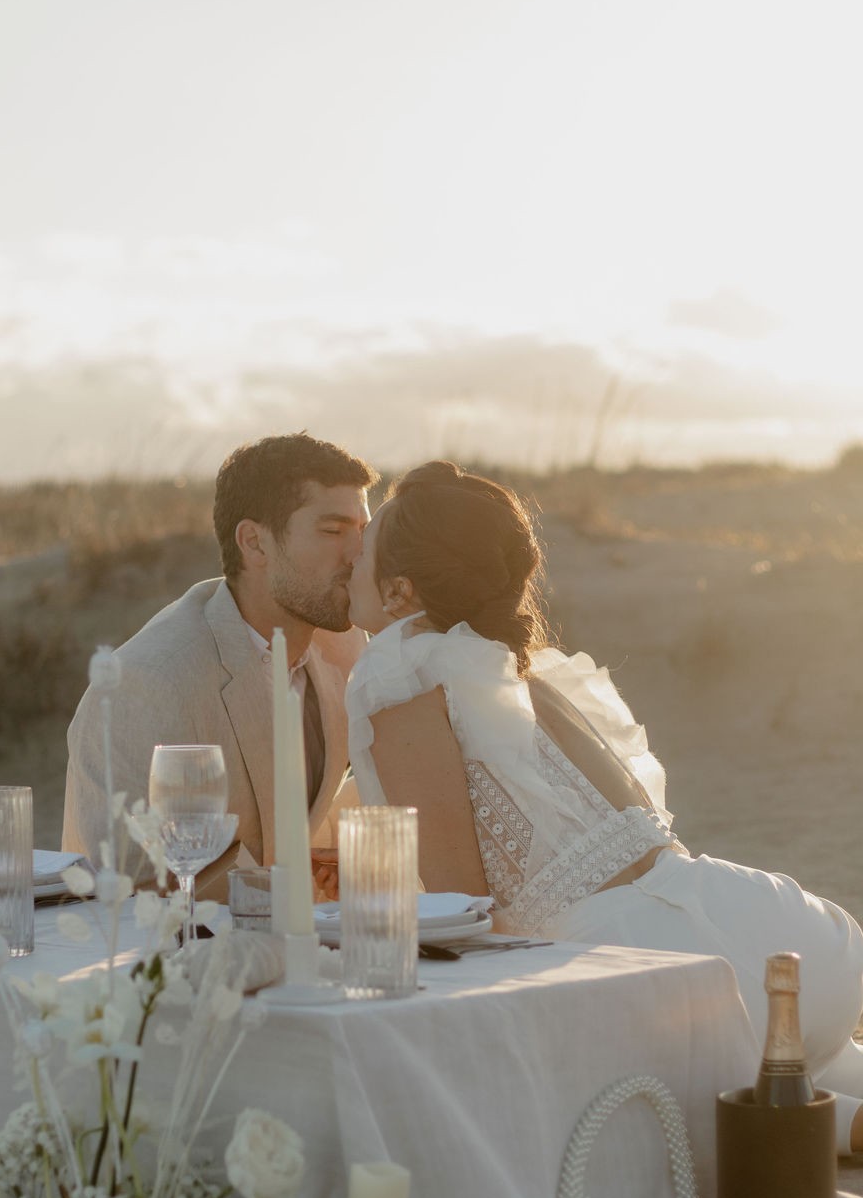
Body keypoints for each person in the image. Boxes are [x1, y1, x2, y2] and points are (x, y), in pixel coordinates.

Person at [344, 460, 863, 1154]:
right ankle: (841, 1115)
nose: (348, 563)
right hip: (779, 937)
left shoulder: (397, 676)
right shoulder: (518, 670)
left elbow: (461, 905)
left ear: (400, 592)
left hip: (663, 976)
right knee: (790, 1070)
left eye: (362, 553)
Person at [62, 433, 378, 894]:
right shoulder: (147, 682)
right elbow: (130, 888)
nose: (356, 555)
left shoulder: (346, 645)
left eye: (363, 534)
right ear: (254, 543)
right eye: (332, 532)